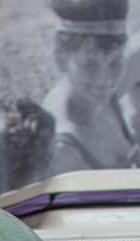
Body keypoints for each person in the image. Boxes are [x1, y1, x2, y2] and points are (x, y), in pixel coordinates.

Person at [41, 0, 133, 174]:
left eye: (115, 63)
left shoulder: (98, 99)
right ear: (60, 58)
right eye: (89, 66)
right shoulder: (63, 149)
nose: (104, 80)